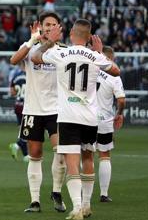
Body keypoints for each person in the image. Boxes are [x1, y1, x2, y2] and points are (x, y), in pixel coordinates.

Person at [32, 19, 120, 220]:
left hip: (68, 117)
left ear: (71, 34)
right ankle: (87, 205)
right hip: (90, 117)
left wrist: (49, 42)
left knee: (73, 164)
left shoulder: (60, 53)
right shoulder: (94, 56)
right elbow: (116, 71)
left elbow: (36, 57)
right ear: (89, 37)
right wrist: (97, 53)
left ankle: (77, 208)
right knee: (88, 158)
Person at [10, 12, 67, 213]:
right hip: (32, 110)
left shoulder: (63, 51)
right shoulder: (30, 47)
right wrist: (32, 39)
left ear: (59, 28)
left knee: (61, 152)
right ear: (41, 27)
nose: (50, 27)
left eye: (54, 24)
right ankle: (35, 201)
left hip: (57, 110)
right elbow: (13, 60)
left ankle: (57, 192)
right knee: (35, 155)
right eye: (47, 24)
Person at [95, 46, 126, 203]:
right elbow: (121, 100)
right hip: (104, 120)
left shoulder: (89, 68)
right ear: (110, 58)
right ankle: (103, 194)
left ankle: (81, 191)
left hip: (85, 118)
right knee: (104, 156)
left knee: (84, 153)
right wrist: (119, 114)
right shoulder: (114, 76)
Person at [9, 62, 29, 161]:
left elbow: (12, 92)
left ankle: (26, 156)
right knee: (27, 132)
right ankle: (16, 145)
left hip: (17, 105)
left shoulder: (16, 76)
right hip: (27, 106)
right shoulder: (31, 75)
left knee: (23, 131)